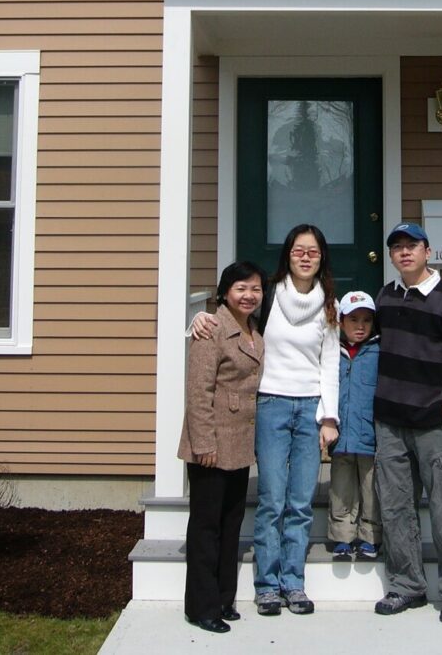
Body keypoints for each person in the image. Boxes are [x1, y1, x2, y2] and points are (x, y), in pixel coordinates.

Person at [190, 224, 340, 617]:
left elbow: (329, 364)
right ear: (287, 255)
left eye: (313, 251)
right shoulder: (269, 295)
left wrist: (330, 417)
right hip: (271, 404)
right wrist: (196, 322)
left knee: (301, 502)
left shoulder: (330, 304)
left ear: (322, 257)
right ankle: (267, 585)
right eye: (298, 250)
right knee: (272, 500)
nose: (305, 256)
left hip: (309, 408)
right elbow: (229, 321)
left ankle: (294, 583)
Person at [372, 222, 442, 624]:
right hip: (390, 421)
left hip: (432, 424)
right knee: (397, 509)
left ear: (428, 252)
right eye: (397, 247)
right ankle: (406, 586)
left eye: (412, 246)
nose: (404, 252)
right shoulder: (385, 297)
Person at [178, 260, 266, 634]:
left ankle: (224, 599)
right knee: (206, 527)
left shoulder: (252, 329)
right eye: (241, 288)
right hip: (211, 445)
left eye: (256, 289)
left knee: (231, 525)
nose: (249, 295)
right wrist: (203, 444)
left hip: (239, 442)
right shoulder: (210, 329)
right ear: (225, 292)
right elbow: (199, 392)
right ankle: (201, 607)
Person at [328, 289, 382, 562]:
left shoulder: (377, 352)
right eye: (353, 320)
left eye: (366, 320)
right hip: (341, 436)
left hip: (370, 435)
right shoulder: (332, 353)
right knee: (341, 488)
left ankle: (369, 536)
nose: (360, 326)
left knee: (371, 489)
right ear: (341, 322)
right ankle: (342, 537)